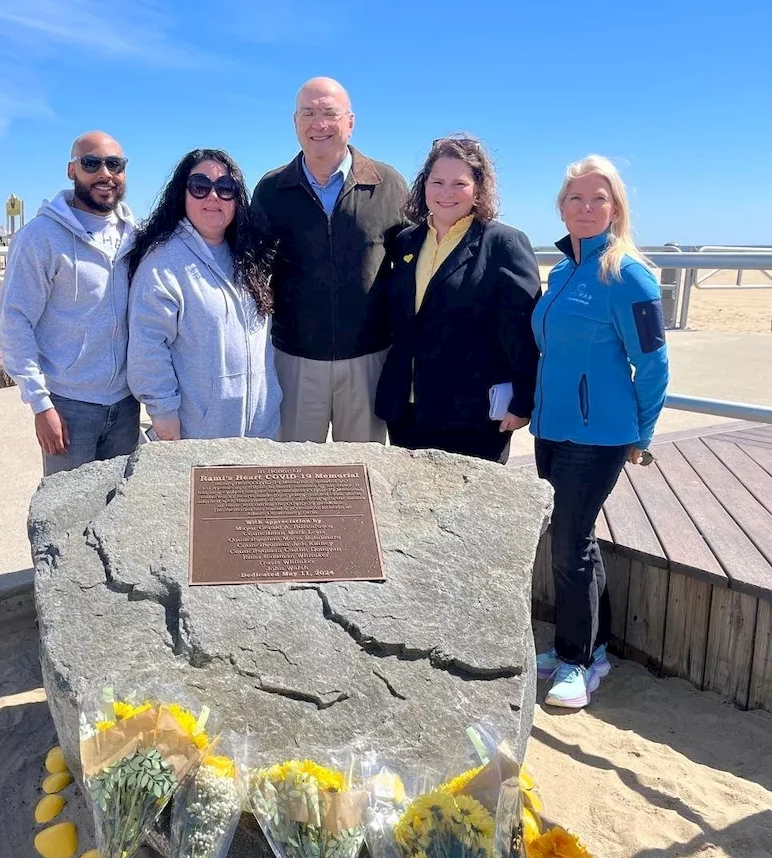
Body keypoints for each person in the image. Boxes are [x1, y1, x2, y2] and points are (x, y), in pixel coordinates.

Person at [531, 155, 670, 710]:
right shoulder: (564, 271)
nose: (586, 209)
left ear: (616, 208)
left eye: (598, 199)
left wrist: (644, 433)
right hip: (551, 429)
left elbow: (655, 364)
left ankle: (577, 661)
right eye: (575, 199)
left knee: (569, 540)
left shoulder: (627, 274)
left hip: (599, 435)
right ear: (561, 207)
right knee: (575, 537)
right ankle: (595, 647)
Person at [252, 76, 407, 443]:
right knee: (294, 480)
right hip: (294, 360)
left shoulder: (389, 184)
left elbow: (413, 266)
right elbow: (251, 270)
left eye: (328, 113)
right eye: (307, 113)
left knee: (362, 477)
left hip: (368, 358)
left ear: (350, 122)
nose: (318, 124)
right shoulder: (271, 191)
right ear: (295, 123)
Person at [375, 136, 540, 463]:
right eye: (437, 181)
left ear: (478, 188)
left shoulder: (503, 243)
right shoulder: (407, 241)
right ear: (424, 185)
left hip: (471, 414)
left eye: (459, 183)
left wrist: (523, 402)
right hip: (407, 410)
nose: (446, 192)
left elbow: (521, 331)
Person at [0, 130, 140, 475]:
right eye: (91, 163)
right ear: (71, 170)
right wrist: (39, 403)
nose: (105, 174)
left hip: (126, 404)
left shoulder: (136, 235)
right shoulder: (39, 238)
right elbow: (15, 321)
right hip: (69, 407)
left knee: (118, 512)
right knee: (64, 519)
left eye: (115, 164)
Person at [127, 149, 280, 441]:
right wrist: (163, 415)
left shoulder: (247, 256)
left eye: (225, 189)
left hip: (261, 430)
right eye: (200, 187)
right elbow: (148, 348)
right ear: (181, 194)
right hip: (196, 436)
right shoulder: (163, 263)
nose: (213, 196)